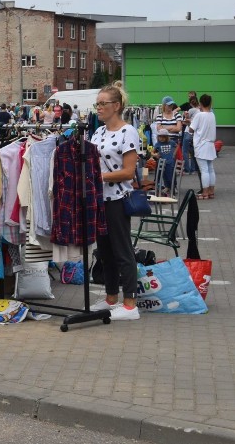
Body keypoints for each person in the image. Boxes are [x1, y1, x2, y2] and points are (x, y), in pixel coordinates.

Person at [88, 83, 141, 321]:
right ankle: (111, 298)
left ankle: (130, 303)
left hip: (118, 199)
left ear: (116, 106)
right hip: (100, 199)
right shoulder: (98, 132)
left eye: (103, 104)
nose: (98, 108)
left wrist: (99, 177)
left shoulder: (128, 131)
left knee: (122, 250)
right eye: (97, 103)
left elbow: (129, 172)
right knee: (105, 252)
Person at [190, 94, 217, 199]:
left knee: (204, 170)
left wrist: (188, 122)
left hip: (201, 145)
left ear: (200, 103)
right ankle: (211, 191)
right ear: (210, 103)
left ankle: (205, 192)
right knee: (210, 169)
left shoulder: (199, 115)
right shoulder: (212, 115)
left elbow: (192, 129)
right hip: (210, 145)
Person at [152, 129, 177, 194]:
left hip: (170, 162)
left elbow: (177, 146)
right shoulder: (158, 144)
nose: (162, 138)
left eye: (163, 137)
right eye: (160, 137)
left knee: (170, 176)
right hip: (162, 162)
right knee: (164, 175)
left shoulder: (171, 142)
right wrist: (155, 155)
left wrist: (174, 153)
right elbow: (152, 152)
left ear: (167, 137)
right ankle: (167, 187)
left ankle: (173, 188)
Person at [181, 95, 200, 175]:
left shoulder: (191, 110)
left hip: (188, 132)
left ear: (190, 103)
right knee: (192, 152)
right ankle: (193, 169)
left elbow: (185, 119)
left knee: (185, 151)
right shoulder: (200, 110)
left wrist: (185, 115)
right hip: (194, 133)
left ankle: (187, 169)